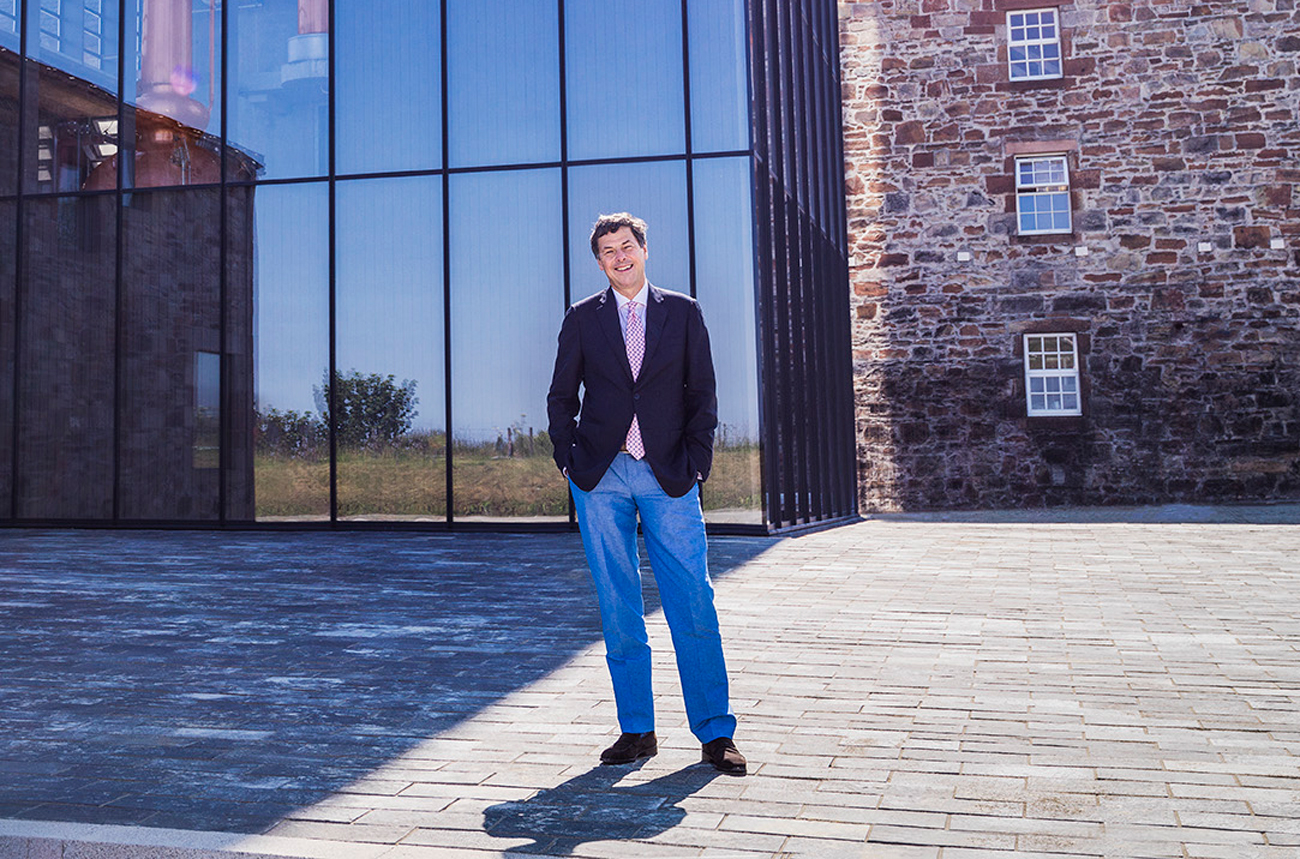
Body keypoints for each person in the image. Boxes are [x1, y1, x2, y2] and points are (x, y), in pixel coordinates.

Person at [546, 212, 746, 775]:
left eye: (626, 246)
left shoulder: (682, 312)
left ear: (644, 250)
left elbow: (702, 393)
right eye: (607, 250)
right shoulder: (583, 318)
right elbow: (561, 395)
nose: (618, 257)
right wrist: (569, 461)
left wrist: (697, 463)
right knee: (618, 604)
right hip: (602, 476)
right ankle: (637, 729)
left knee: (693, 599)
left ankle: (715, 733)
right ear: (599, 260)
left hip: (668, 476)